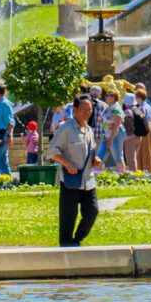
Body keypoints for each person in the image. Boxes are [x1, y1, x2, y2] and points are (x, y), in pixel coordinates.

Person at [53, 95, 101, 247]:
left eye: (90, 110)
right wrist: (67, 163)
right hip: (70, 180)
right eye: (84, 110)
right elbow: (52, 151)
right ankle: (66, 244)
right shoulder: (65, 129)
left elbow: (91, 150)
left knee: (92, 211)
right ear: (74, 110)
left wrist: (95, 159)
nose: (88, 112)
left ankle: (77, 239)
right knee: (68, 216)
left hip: (87, 179)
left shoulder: (89, 130)